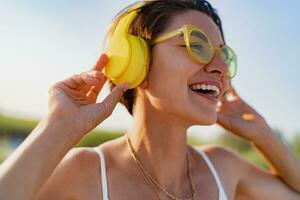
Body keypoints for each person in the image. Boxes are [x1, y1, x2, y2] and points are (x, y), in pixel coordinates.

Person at [0, 0, 300, 199]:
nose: (220, 69)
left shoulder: (223, 168)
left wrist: (261, 132)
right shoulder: (85, 173)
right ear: (137, 61)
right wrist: (57, 127)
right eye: (197, 44)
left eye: (224, 54)